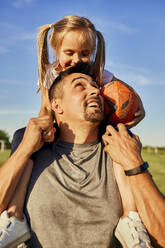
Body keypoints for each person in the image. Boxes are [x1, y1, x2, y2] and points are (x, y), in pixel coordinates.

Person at [0, 15, 147, 247]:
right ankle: (14, 215)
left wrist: (139, 112)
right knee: (23, 138)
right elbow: (45, 109)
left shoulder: (101, 74)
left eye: (85, 53)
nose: (77, 59)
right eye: (69, 53)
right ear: (56, 49)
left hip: (96, 125)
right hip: (58, 127)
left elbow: (126, 98)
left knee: (121, 139)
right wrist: (43, 129)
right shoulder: (50, 73)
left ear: (94, 51)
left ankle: (130, 219)